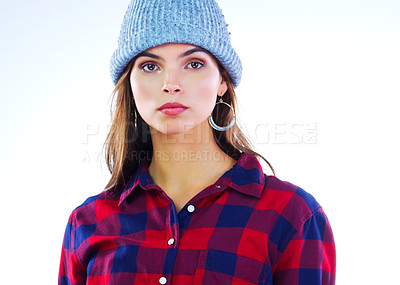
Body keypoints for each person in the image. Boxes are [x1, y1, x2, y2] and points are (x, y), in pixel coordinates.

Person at [58, 0, 336, 284]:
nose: (171, 83)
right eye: (150, 66)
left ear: (222, 82)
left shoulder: (292, 215)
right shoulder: (88, 222)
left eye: (193, 64)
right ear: (130, 82)